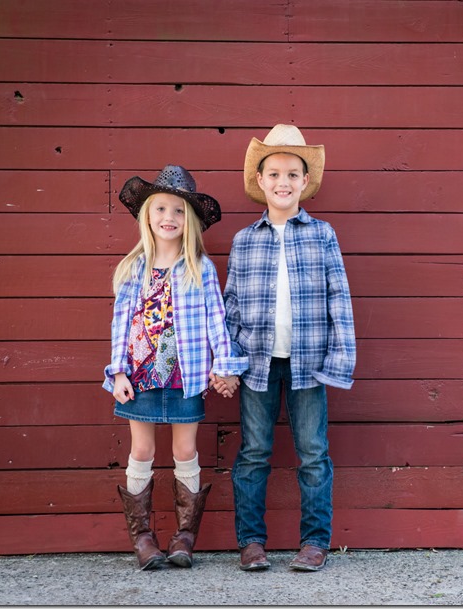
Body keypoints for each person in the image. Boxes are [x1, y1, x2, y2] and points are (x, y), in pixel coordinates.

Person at [219, 124, 356, 572]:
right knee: (254, 452)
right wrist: (228, 362)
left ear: (304, 182)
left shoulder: (322, 235)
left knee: (313, 453)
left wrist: (339, 360)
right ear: (260, 181)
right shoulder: (244, 240)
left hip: (309, 364)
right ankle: (251, 543)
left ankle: (315, 542)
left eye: (292, 174)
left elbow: (339, 298)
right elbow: (231, 307)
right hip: (256, 363)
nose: (283, 182)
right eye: (274, 173)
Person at [103, 165, 247, 570]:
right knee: (142, 449)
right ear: (148, 215)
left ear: (191, 222)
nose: (170, 218)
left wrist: (226, 367)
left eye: (180, 211)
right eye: (162, 209)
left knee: (185, 450)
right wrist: (116, 372)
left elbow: (216, 323)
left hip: (186, 378)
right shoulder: (133, 269)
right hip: (141, 377)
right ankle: (144, 540)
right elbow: (120, 324)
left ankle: (184, 537)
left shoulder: (200, 268)